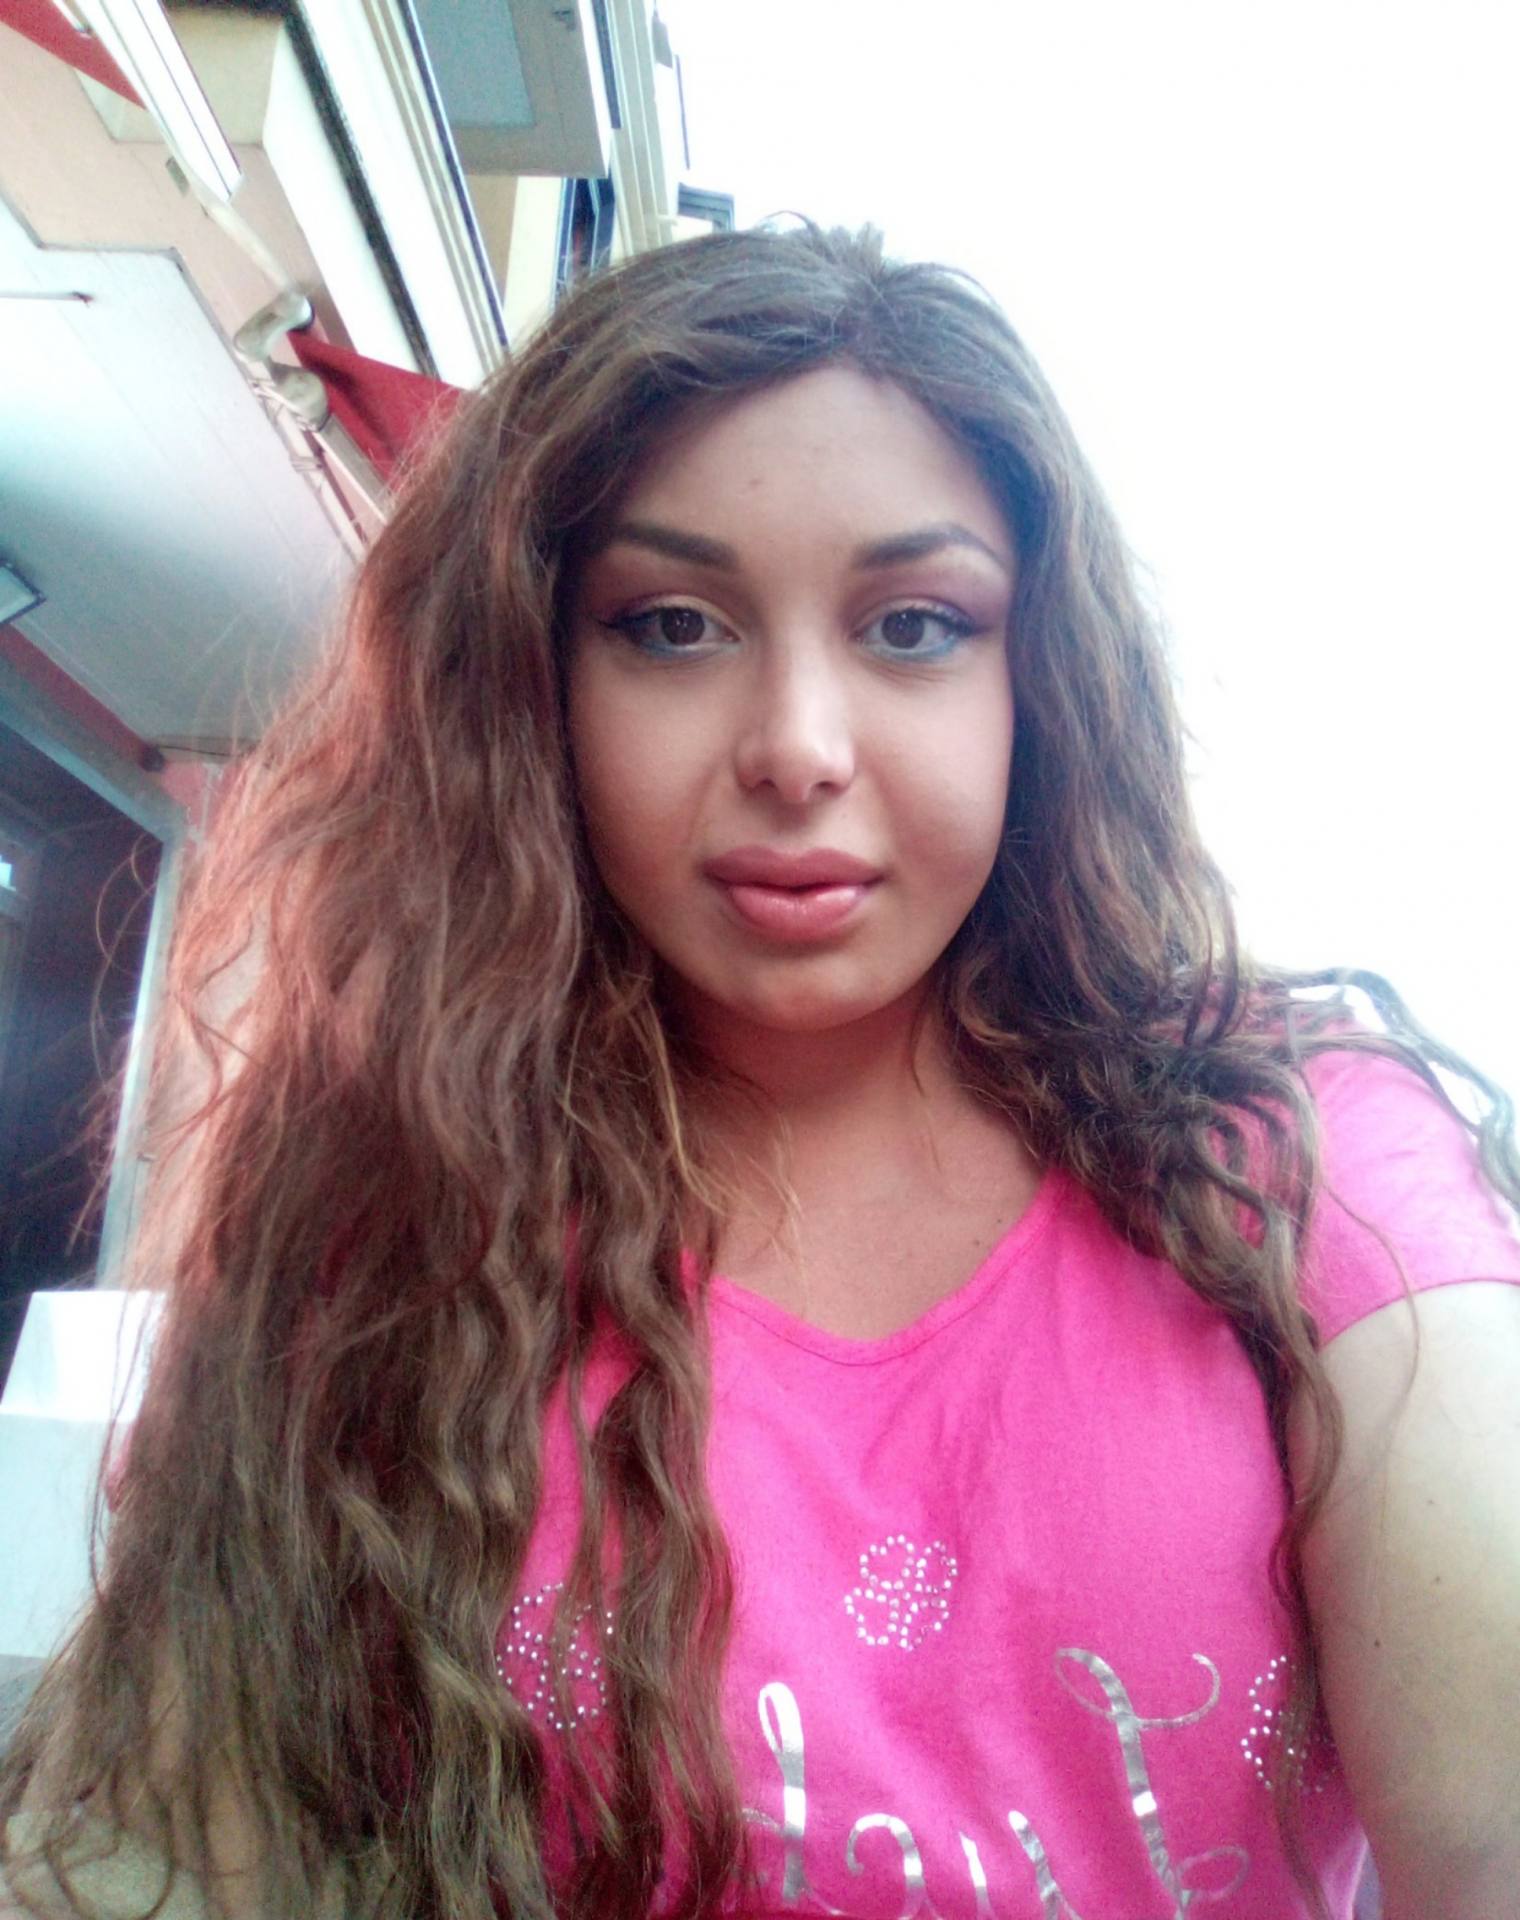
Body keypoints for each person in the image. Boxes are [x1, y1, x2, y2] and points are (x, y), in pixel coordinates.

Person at [2, 223, 1518, 1920]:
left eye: (916, 625)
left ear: (1039, 684)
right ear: (531, 688)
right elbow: (177, 1845)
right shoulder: (376, 1215)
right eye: (671, 625)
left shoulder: (1302, 1165)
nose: (798, 745)